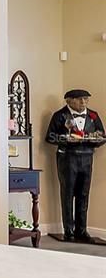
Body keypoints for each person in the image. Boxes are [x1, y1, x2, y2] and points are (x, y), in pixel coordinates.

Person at [45, 89, 105, 242]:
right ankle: (68, 230)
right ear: (69, 101)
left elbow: (102, 135)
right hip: (68, 158)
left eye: (85, 99)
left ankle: (82, 230)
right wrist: (66, 139)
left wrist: (94, 140)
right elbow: (50, 136)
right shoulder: (60, 115)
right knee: (67, 193)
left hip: (87, 158)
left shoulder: (93, 116)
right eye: (80, 100)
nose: (83, 103)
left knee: (83, 194)